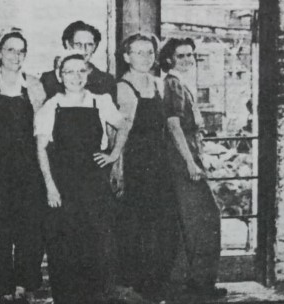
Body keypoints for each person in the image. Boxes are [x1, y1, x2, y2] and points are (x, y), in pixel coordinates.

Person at [35, 51, 130, 304]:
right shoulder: (51, 106)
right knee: (64, 248)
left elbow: (123, 126)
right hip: (63, 184)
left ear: (87, 73)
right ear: (59, 76)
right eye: (69, 71)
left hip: (94, 184)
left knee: (97, 247)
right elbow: (41, 150)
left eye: (81, 71)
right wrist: (50, 187)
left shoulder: (101, 101)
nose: (75, 77)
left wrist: (113, 155)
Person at [0, 27, 46, 304]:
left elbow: (44, 132)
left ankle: (26, 288)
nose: (16, 55)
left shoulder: (35, 86)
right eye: (10, 49)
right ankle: (1, 291)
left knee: (30, 235)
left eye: (21, 50)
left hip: (30, 174)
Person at [113, 33, 178, 298]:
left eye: (150, 52)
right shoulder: (122, 88)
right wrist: (117, 171)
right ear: (127, 57)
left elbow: (170, 126)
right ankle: (136, 288)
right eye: (139, 52)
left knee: (163, 227)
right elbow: (117, 133)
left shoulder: (159, 84)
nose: (146, 58)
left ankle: (156, 287)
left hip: (160, 164)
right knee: (136, 228)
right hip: (135, 165)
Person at [159, 38, 226, 297]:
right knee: (206, 218)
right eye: (181, 55)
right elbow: (174, 126)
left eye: (191, 55)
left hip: (189, 158)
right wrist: (189, 162)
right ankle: (200, 283)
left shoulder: (181, 84)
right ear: (169, 59)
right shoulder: (173, 84)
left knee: (195, 220)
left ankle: (194, 282)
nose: (188, 60)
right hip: (181, 162)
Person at [40, 20, 116, 103]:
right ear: (68, 44)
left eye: (89, 44)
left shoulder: (106, 81)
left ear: (94, 47)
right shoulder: (50, 79)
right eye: (78, 44)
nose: (83, 49)